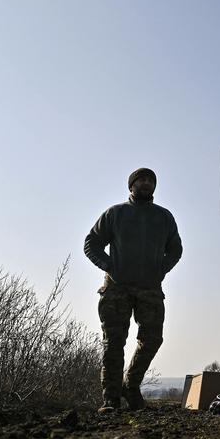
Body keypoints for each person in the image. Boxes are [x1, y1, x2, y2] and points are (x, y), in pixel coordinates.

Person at [84, 167, 182, 414]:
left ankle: (132, 385)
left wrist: (162, 269)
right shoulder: (116, 214)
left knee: (152, 339)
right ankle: (111, 400)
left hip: (150, 287)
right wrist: (108, 265)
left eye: (151, 180)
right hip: (116, 288)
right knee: (114, 342)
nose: (147, 183)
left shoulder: (164, 217)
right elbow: (91, 244)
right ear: (132, 186)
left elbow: (176, 249)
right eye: (142, 179)